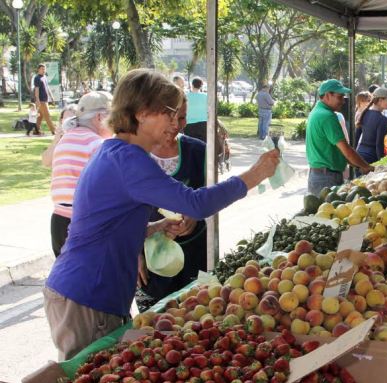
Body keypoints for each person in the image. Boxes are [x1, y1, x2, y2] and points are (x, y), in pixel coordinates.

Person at [43, 69, 279, 360]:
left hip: (88, 292)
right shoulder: (128, 159)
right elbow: (194, 204)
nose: (175, 122)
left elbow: (104, 224)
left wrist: (155, 227)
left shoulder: (115, 152)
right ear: (142, 114)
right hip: (88, 294)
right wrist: (254, 175)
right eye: (169, 113)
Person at [141, 102, 208, 298]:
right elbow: (123, 213)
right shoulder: (135, 154)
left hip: (194, 253)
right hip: (150, 260)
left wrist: (195, 215)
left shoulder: (198, 151)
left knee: (196, 313)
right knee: (156, 321)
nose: (177, 125)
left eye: (182, 117)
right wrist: (135, 251)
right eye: (170, 118)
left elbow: (210, 196)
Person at [47, 92, 113, 258]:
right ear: (99, 117)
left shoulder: (64, 140)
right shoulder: (98, 145)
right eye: (114, 117)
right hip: (84, 223)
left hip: (58, 221)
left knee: (67, 278)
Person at [306, 79, 374, 196]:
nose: (343, 101)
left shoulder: (317, 111)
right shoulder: (327, 116)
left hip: (319, 175)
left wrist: (358, 165)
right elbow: (346, 150)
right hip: (326, 178)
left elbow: (339, 150)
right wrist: (365, 166)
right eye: (340, 97)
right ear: (327, 95)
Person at [355, 87, 387, 165]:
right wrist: (382, 163)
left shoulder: (365, 113)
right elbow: (379, 144)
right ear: (380, 100)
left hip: (359, 154)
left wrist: (354, 157)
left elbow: (356, 137)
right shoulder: (382, 119)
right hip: (371, 157)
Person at [33, 64, 56, 135]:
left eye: (44, 69)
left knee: (40, 116)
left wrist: (52, 96)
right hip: (41, 100)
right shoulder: (37, 78)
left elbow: (47, 87)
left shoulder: (44, 77)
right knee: (47, 115)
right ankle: (54, 130)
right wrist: (37, 100)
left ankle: (36, 130)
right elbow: (36, 89)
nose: (44, 70)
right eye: (42, 69)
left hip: (45, 99)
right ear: (38, 69)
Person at [183, 77, 208, 143]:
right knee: (203, 146)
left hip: (189, 125)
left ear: (192, 85)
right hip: (203, 124)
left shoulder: (185, 96)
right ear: (201, 86)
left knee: (190, 146)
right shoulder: (206, 96)